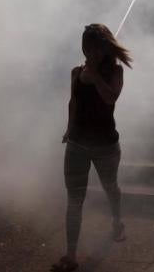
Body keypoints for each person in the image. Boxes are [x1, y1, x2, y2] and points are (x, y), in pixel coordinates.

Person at [51, 24, 133, 272]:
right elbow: (73, 102)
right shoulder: (76, 72)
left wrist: (96, 75)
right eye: (87, 48)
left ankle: (117, 222)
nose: (91, 54)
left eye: (96, 48)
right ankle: (71, 254)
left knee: (110, 187)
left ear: (105, 49)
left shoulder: (115, 72)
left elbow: (110, 98)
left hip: (106, 146)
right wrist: (68, 128)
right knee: (74, 200)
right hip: (77, 144)